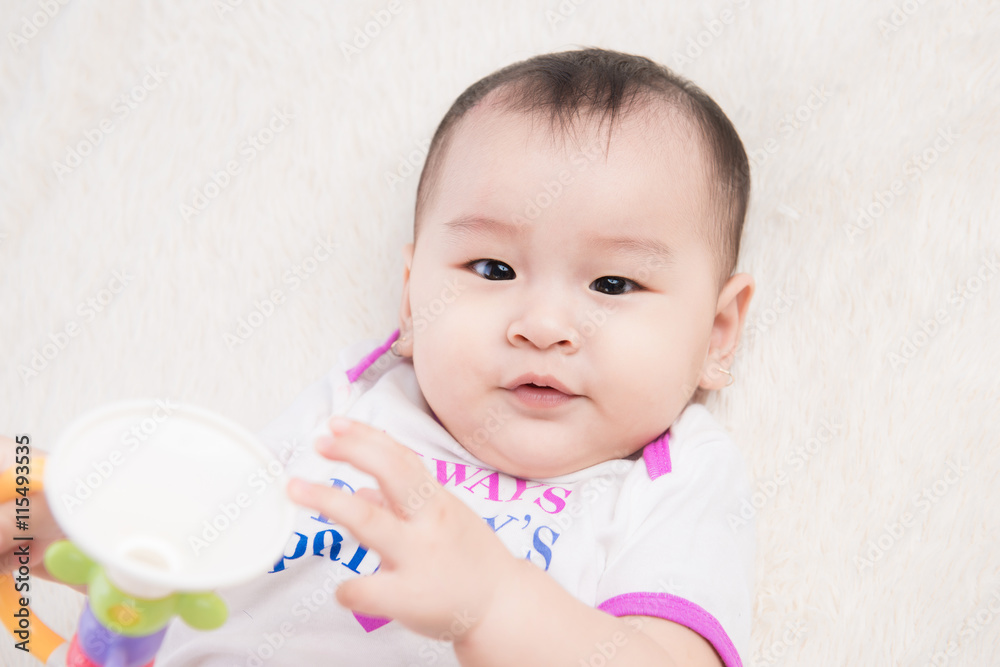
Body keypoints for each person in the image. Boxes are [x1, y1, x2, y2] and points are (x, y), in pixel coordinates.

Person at [2, 47, 756, 666]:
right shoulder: (362, 404)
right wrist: (52, 507)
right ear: (410, 299)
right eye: (492, 270)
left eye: (614, 282)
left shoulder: (673, 474)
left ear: (717, 333)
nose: (543, 324)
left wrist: (491, 602)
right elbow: (196, 514)